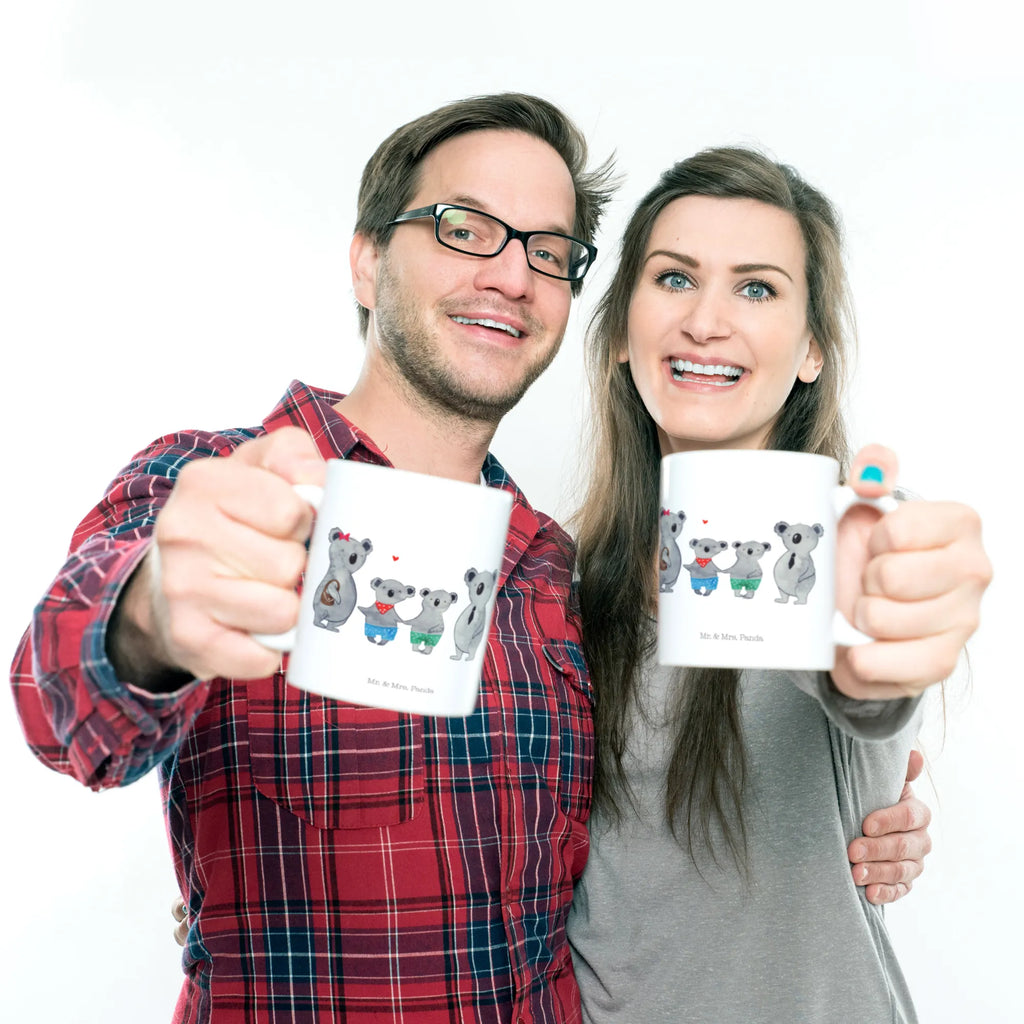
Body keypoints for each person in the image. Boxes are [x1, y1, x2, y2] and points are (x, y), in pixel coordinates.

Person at [11, 93, 936, 1024]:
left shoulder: (553, 575)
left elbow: (659, 843)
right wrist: (153, 616)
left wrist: (864, 802)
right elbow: (62, 708)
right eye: (465, 229)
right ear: (368, 260)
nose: (509, 274)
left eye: (545, 251)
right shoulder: (216, 487)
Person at [566, 146, 992, 1022]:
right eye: (675, 279)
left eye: (756, 288)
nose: (706, 322)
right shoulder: (565, 582)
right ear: (618, 331)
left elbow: (868, 682)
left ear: (810, 352)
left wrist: (887, 641)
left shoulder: (845, 544)